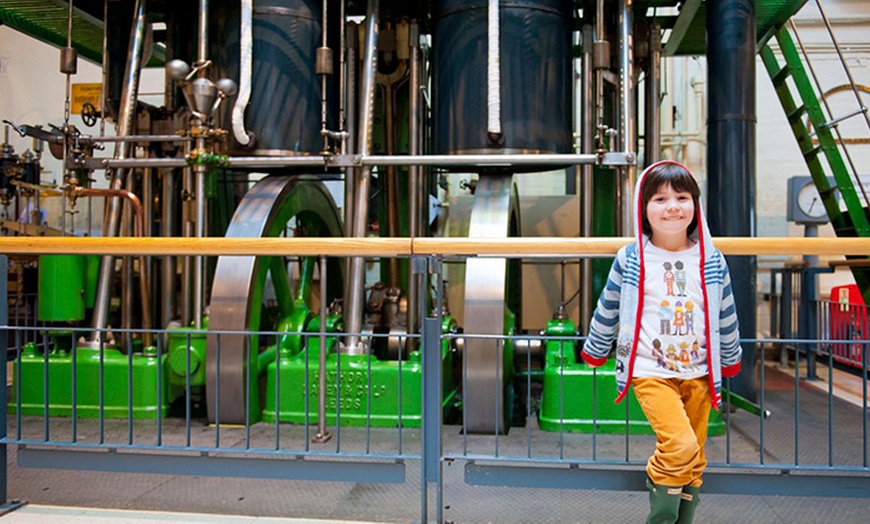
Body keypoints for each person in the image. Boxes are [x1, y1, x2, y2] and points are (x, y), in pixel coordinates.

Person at [581, 160, 742, 524]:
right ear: (643, 209)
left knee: (695, 457)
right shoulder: (633, 258)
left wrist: (730, 358)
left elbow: (726, 315)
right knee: (680, 445)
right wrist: (595, 349)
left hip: (699, 372)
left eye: (682, 197)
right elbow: (608, 308)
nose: (672, 206)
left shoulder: (711, 259)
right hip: (650, 371)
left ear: (695, 206)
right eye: (660, 199)